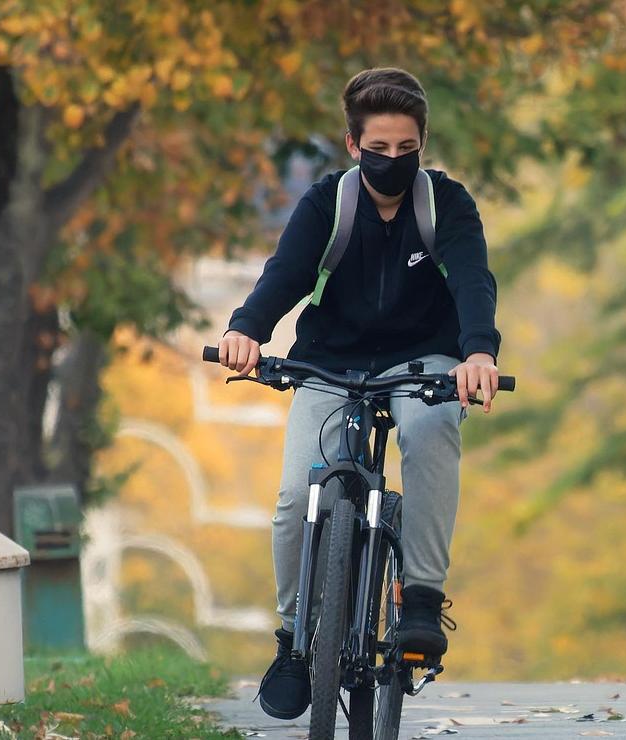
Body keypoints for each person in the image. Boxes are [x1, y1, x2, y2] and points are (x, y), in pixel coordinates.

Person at [214, 67, 501, 720]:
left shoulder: (445, 205)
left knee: (430, 432)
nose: (392, 162)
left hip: (423, 357)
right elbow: (286, 273)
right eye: (379, 149)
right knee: (295, 494)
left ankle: (422, 600)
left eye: (407, 149)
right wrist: (245, 330)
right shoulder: (328, 203)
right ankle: (293, 640)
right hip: (332, 361)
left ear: (422, 144)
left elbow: (473, 280)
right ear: (352, 145)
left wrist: (479, 351)